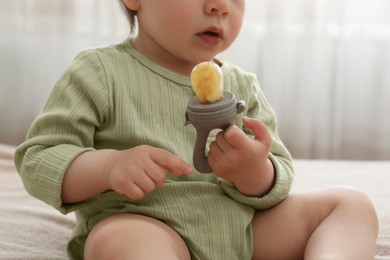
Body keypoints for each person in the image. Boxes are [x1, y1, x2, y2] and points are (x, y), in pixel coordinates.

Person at [14, 0, 378, 259]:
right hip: (150, 225)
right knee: (119, 243)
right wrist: (108, 166)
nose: (221, 6)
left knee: (351, 204)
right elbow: (40, 157)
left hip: (244, 230)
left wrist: (255, 172)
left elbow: (278, 179)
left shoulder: (241, 85)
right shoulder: (99, 72)